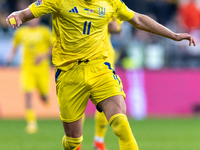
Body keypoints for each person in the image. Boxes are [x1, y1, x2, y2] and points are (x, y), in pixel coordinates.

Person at [6, 0, 195, 149]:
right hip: (69, 74)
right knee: (73, 141)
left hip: (100, 69)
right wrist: (18, 16)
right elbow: (26, 13)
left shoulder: (110, 2)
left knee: (121, 122)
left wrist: (174, 35)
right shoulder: (59, 1)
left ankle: (98, 140)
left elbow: (137, 19)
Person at [7, 18, 52, 134]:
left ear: (39, 19)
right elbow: (15, 46)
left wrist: (43, 55)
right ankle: (31, 123)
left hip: (42, 69)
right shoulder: (21, 32)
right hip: (27, 68)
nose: (33, 20)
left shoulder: (45, 31)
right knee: (28, 93)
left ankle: (45, 97)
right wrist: (11, 57)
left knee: (43, 96)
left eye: (35, 18)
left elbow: (53, 46)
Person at [93, 18, 123, 150]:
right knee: (78, 100)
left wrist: (113, 26)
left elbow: (117, 28)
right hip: (81, 55)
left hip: (105, 56)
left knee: (107, 98)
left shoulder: (112, 4)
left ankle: (99, 139)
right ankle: (76, 143)